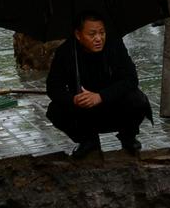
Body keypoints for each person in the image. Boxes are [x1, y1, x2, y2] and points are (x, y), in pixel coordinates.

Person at [44, 11, 150, 158]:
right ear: (78, 34)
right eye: (92, 34)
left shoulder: (115, 44)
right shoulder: (66, 52)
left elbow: (131, 79)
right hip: (84, 109)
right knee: (55, 110)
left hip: (114, 103)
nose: (98, 38)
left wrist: (101, 96)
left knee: (138, 100)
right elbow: (53, 87)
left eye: (102, 32)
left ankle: (128, 136)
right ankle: (88, 140)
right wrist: (72, 99)